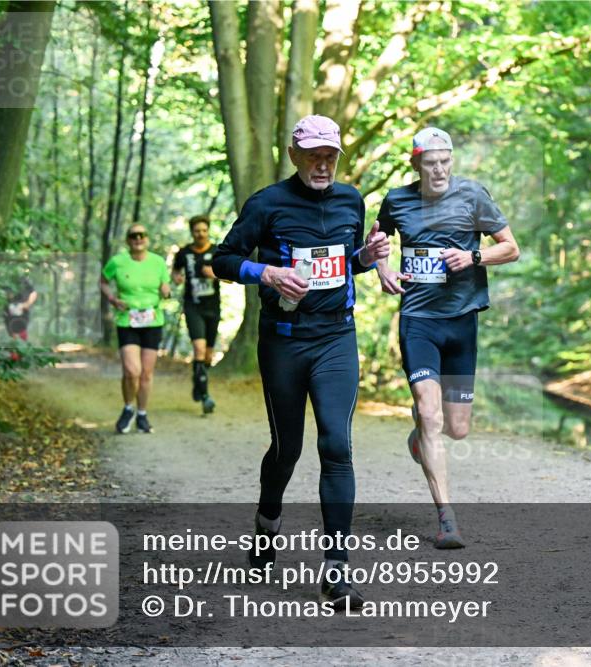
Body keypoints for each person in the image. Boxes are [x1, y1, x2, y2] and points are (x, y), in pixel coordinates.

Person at [212, 115, 390, 609]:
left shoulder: (352, 200)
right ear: (294, 155)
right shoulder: (267, 204)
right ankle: (268, 521)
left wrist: (370, 254)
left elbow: (346, 261)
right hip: (284, 343)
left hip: (336, 338)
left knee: (336, 443)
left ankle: (337, 572)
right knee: (286, 449)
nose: (323, 163)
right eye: (313, 154)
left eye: (330, 155)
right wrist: (267, 272)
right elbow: (221, 260)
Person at [376, 127, 520, 549]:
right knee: (430, 413)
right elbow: (377, 239)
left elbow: (511, 248)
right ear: (415, 164)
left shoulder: (473, 195)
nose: (438, 170)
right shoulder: (397, 200)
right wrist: (384, 270)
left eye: (445, 162)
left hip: (461, 322)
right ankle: (447, 519)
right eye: (429, 163)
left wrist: (474, 256)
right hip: (418, 320)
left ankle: (420, 436)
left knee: (456, 429)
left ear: (451, 161)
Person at [100, 224, 172, 434]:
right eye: (133, 235)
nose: (138, 238)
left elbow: (165, 287)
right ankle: (127, 407)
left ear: (147, 239)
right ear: (128, 240)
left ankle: (141, 414)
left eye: (142, 235)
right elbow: (103, 281)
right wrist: (112, 299)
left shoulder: (158, 262)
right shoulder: (117, 261)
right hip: (127, 320)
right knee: (132, 371)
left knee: (146, 374)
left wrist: (166, 290)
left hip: (152, 321)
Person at [172, 214, 220, 414]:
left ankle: (197, 379)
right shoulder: (184, 253)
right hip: (193, 306)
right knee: (199, 350)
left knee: (207, 356)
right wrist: (177, 279)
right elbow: (175, 273)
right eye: (196, 231)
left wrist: (215, 273)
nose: (200, 234)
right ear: (192, 232)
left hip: (213, 308)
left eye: (203, 230)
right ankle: (206, 397)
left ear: (208, 231)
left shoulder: (217, 251)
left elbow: (231, 278)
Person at [3, 276, 38, 360]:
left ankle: (21, 353)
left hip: (22, 310)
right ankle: (14, 354)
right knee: (12, 332)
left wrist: (27, 304)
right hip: (10, 310)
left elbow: (33, 293)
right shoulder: (7, 277)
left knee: (22, 330)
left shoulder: (25, 280)